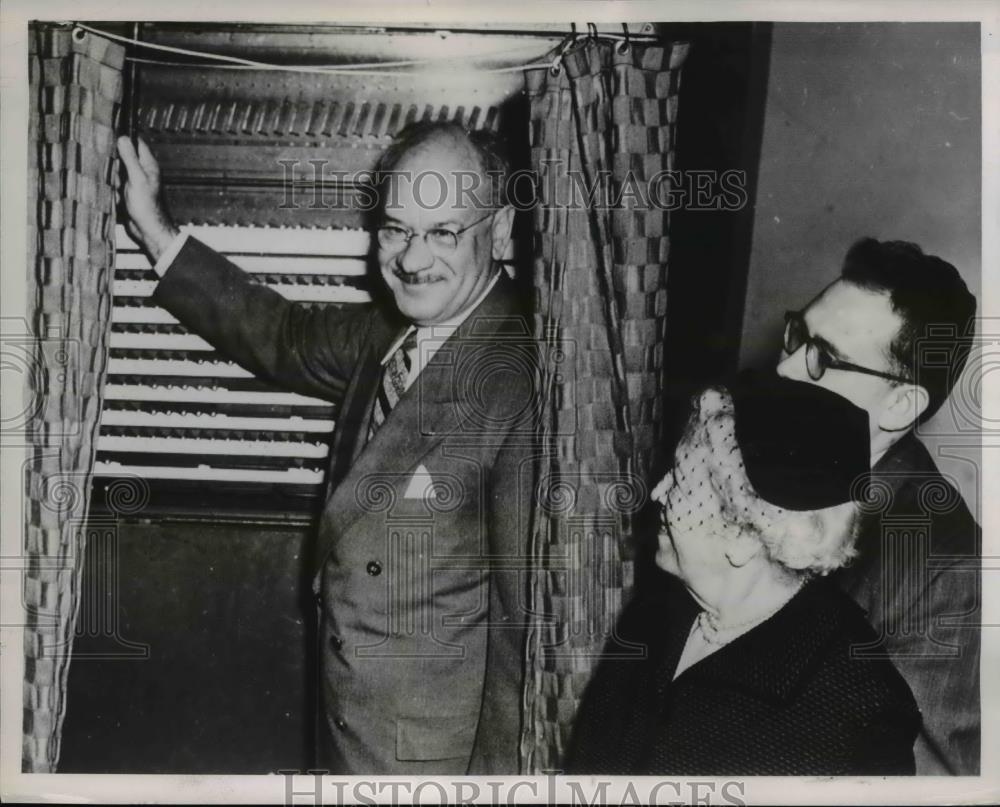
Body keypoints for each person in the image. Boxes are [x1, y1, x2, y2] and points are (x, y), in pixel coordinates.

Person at [115, 122, 537, 774]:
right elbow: (282, 333)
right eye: (396, 229)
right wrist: (153, 228)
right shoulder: (388, 330)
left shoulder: (521, 377)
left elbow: (523, 633)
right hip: (346, 729)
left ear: (501, 230)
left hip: (430, 764)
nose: (413, 259)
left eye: (444, 232)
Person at [565, 376, 921, 775]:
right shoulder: (651, 618)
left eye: (681, 482)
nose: (657, 494)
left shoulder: (858, 707)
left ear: (745, 535)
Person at [775, 238, 980, 774]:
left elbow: (917, 779)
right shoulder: (769, 467)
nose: (786, 369)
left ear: (899, 403)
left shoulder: (947, 568)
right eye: (796, 336)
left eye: (823, 357)